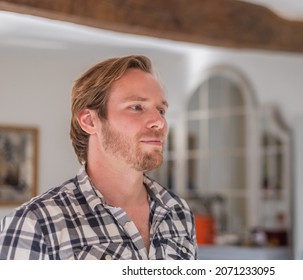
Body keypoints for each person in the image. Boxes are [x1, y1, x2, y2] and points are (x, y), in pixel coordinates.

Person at [0, 55, 197, 260]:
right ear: (90, 121)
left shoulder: (179, 212)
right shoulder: (35, 224)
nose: (159, 122)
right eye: (136, 107)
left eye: (161, 110)